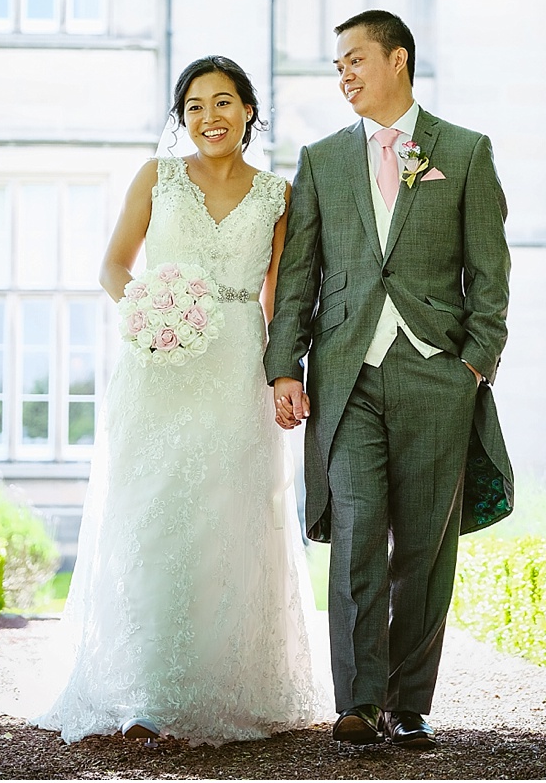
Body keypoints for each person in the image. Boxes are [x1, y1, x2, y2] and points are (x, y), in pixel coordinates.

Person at [33, 56, 331, 746]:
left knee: (229, 517)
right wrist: (147, 313)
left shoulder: (276, 196)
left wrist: (285, 373)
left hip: (235, 369)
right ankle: (144, 691)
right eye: (194, 107)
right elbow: (112, 266)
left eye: (223, 103)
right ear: (181, 117)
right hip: (156, 366)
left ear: (249, 111)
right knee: (155, 514)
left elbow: (281, 300)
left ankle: (223, 687)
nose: (209, 118)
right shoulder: (157, 178)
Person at [265, 10, 513, 750]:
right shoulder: (320, 160)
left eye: (354, 61)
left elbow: (491, 275)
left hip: (438, 372)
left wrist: (475, 362)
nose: (343, 76)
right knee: (358, 530)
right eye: (337, 66)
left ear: (396, 60)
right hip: (346, 377)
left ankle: (409, 703)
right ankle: (359, 700)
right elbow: (301, 275)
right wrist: (284, 365)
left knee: (425, 550)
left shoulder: (464, 152)